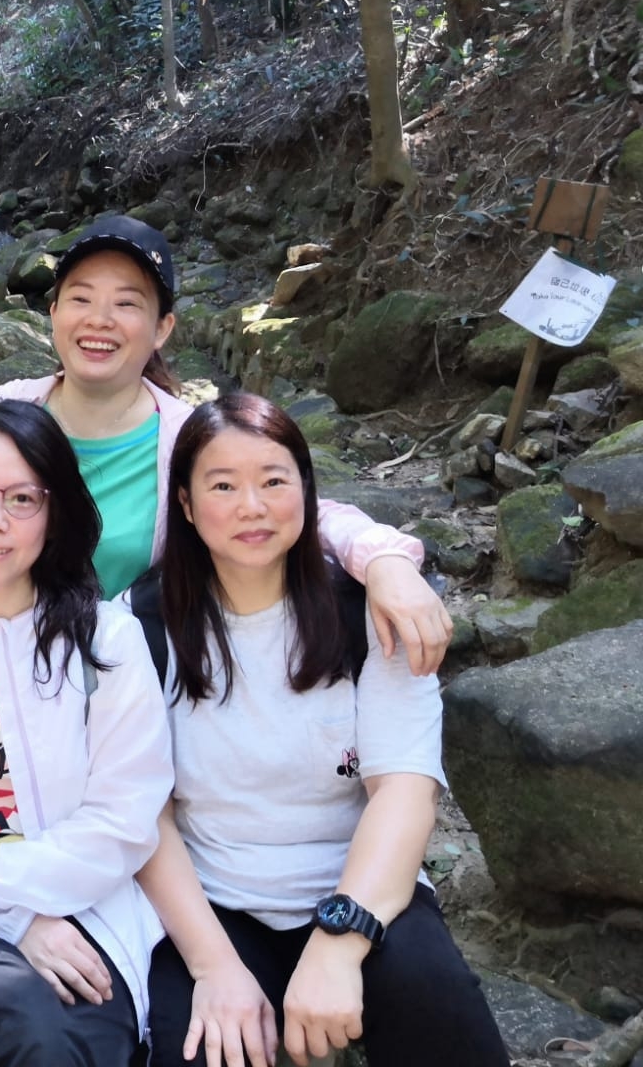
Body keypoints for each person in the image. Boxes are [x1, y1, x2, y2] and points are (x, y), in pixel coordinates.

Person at [0, 214, 453, 676]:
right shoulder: (1, 409)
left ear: (163, 328)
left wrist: (385, 560)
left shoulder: (185, 437)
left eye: (127, 303)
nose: (99, 320)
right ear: (53, 312)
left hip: (123, 687)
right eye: (80, 298)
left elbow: (288, 508)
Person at [131, 392, 506, 1067]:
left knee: (438, 1007)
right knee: (193, 1048)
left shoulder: (369, 612)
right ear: (185, 503)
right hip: (212, 902)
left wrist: (340, 941)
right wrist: (214, 967)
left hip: (362, 885)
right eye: (223, 486)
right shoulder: (141, 625)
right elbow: (143, 813)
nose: (252, 507)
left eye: (274, 481)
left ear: (307, 490)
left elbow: (405, 792)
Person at [0, 400, 172, 1067]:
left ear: (56, 512)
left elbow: (124, 818)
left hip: (85, 912)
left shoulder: (105, 643)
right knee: (19, 1027)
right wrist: (7, 914)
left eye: (22, 499)